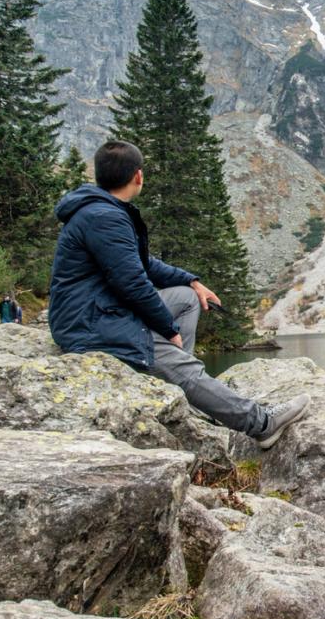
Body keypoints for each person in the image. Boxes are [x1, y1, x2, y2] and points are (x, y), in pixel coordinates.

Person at [48, 140, 309, 448]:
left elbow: (143, 265)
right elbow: (132, 283)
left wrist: (192, 281)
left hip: (102, 310)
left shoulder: (102, 210)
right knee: (183, 364)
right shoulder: (104, 217)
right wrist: (167, 330)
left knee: (187, 298)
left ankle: (188, 392)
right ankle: (261, 424)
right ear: (138, 176)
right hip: (92, 323)